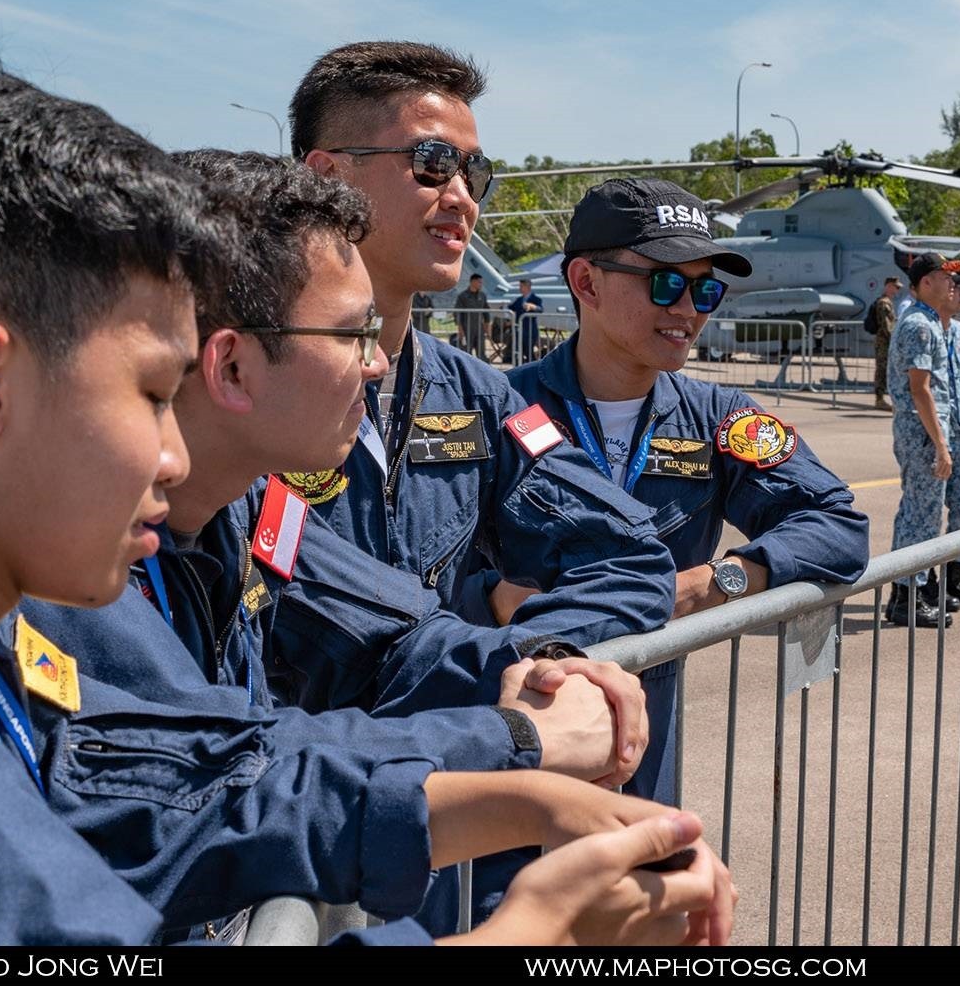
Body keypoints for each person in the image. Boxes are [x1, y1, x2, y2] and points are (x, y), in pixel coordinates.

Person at [0, 19, 720, 947]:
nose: (173, 452)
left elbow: (221, 769)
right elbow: (188, 812)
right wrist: (530, 930)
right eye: (155, 391)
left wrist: (516, 732)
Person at [493, 177, 870, 802]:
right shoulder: (497, 408)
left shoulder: (719, 417)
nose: (690, 309)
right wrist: (505, 600)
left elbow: (836, 524)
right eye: (667, 283)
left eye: (707, 289)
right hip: (515, 726)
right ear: (586, 283)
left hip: (643, 736)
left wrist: (705, 585)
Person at [289, 40, 675, 650]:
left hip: (449, 742)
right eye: (433, 162)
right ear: (327, 177)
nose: (463, 196)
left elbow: (632, 561)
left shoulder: (479, 397)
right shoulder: (239, 391)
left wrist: (526, 657)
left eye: (474, 172)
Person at [885, 254, 960, 627]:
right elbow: (921, 391)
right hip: (923, 435)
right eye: (945, 279)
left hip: (949, 432)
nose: (954, 286)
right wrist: (942, 447)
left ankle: (940, 584)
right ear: (925, 283)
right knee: (921, 514)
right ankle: (906, 595)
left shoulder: (942, 326)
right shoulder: (918, 324)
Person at [871, 277, 900, 411]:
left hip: (886, 342)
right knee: (882, 370)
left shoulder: (888, 302)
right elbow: (886, 326)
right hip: (884, 342)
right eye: (896, 287)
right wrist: (895, 340)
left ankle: (882, 398)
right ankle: (879, 399)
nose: (897, 290)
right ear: (888, 286)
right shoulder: (883, 303)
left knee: (887, 370)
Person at [457, 271, 490, 359]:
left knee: (481, 353)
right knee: (466, 353)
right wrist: (460, 330)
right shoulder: (463, 296)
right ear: (473, 281)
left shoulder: (482, 296)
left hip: (479, 329)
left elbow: (486, 312)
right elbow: (457, 314)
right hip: (467, 328)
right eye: (479, 282)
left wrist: (487, 327)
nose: (481, 284)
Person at [510, 277, 543, 363]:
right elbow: (511, 308)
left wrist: (533, 306)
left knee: (529, 352)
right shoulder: (519, 300)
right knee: (519, 352)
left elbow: (540, 309)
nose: (519, 288)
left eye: (521, 286)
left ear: (527, 287)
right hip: (519, 330)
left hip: (530, 331)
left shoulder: (536, 299)